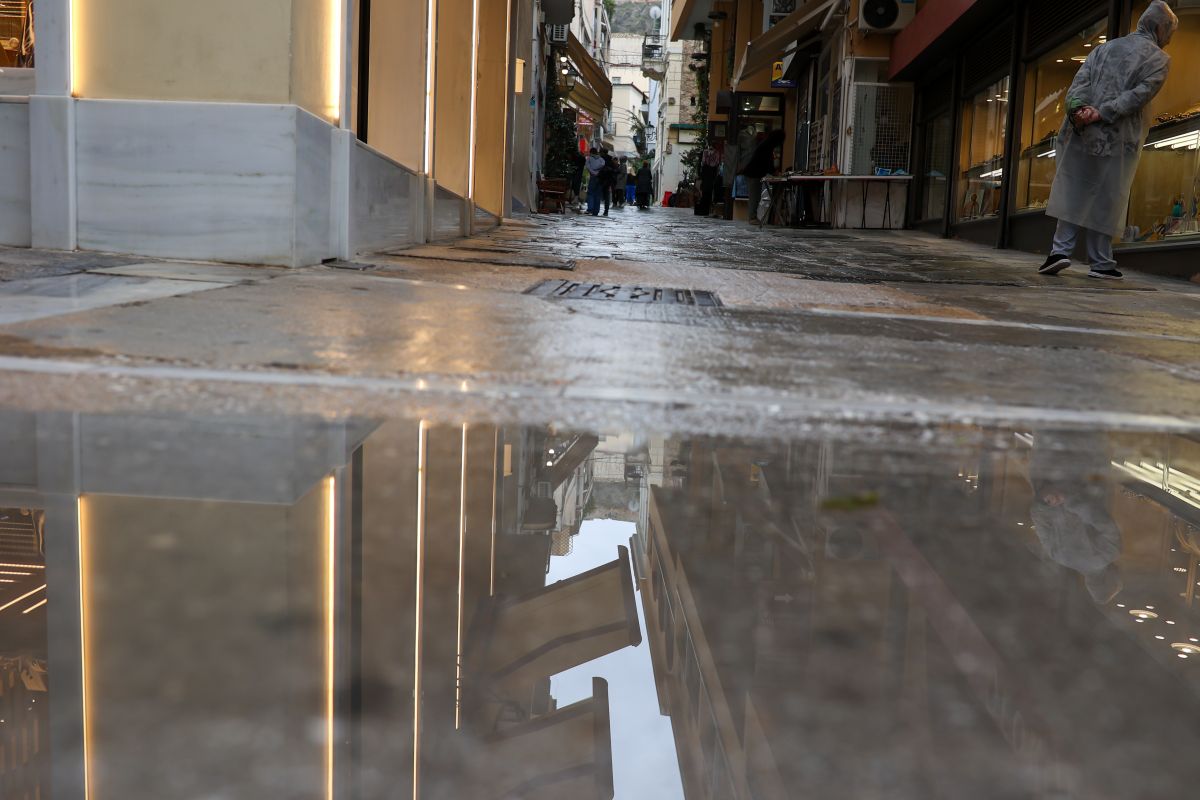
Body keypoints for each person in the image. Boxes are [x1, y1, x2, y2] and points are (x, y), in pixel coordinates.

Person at [1038, 0, 1178, 281]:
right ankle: (1100, 262)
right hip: (1120, 137)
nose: (1169, 38)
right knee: (1109, 196)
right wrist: (1104, 112)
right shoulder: (1159, 60)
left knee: (1074, 188)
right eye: (1169, 32)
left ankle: (1059, 251)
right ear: (1161, 28)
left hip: (1083, 132)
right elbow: (1139, 96)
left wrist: (1081, 110)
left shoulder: (1104, 48)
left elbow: (1080, 83)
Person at [741, 129, 786, 224]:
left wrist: (774, 172)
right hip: (754, 173)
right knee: (754, 196)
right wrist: (775, 172)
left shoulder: (766, 144)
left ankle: (753, 217)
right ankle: (752, 218)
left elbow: (767, 163)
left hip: (754, 173)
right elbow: (768, 164)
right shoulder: (767, 147)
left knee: (755, 196)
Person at [696, 144, 721, 216]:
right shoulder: (705, 152)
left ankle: (705, 210)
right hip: (707, 172)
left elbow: (716, 164)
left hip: (710, 172)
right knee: (706, 191)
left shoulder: (714, 153)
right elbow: (702, 163)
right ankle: (704, 209)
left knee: (708, 191)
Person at [585, 147, 606, 216]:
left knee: (591, 193)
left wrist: (593, 172)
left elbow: (588, 167)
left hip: (593, 177)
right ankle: (596, 211)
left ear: (591, 152)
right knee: (598, 195)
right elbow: (603, 165)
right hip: (600, 178)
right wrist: (598, 171)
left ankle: (590, 208)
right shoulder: (601, 159)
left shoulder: (589, 159)